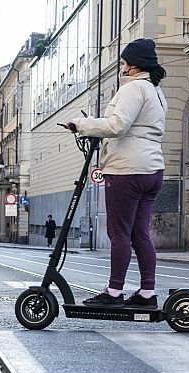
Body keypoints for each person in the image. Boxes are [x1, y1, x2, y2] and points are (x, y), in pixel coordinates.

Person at [67, 38, 167, 309]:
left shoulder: (134, 89)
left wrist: (82, 125)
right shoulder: (156, 92)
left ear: (133, 65)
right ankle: (147, 293)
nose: (121, 66)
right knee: (140, 234)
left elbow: (117, 125)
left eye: (124, 62)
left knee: (119, 234)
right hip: (152, 170)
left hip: (127, 170)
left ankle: (113, 292)